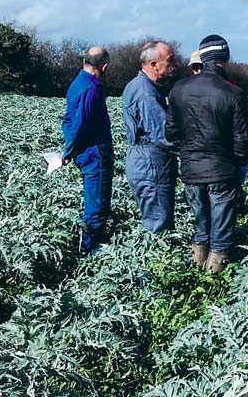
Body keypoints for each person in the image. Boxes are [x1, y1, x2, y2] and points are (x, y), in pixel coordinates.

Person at [166, 35, 248, 272]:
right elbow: (243, 141)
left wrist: (187, 154)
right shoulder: (234, 93)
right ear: (224, 59)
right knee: (221, 229)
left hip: (191, 170)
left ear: (202, 58)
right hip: (222, 171)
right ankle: (215, 279)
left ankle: (196, 269)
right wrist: (238, 164)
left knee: (201, 223)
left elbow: (171, 133)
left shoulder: (178, 89)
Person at [62, 46, 113, 255]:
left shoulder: (77, 83)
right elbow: (80, 125)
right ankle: (91, 251)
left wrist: (71, 147)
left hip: (86, 153)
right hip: (95, 154)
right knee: (97, 205)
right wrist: (68, 151)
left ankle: (90, 245)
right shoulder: (92, 88)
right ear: (104, 66)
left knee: (94, 201)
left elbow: (67, 120)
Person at [122, 41, 178, 233]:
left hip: (142, 161)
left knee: (156, 220)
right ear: (154, 64)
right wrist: (196, 151)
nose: (174, 65)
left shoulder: (136, 85)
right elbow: (163, 135)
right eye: (169, 61)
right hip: (151, 165)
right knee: (159, 227)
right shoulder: (147, 94)